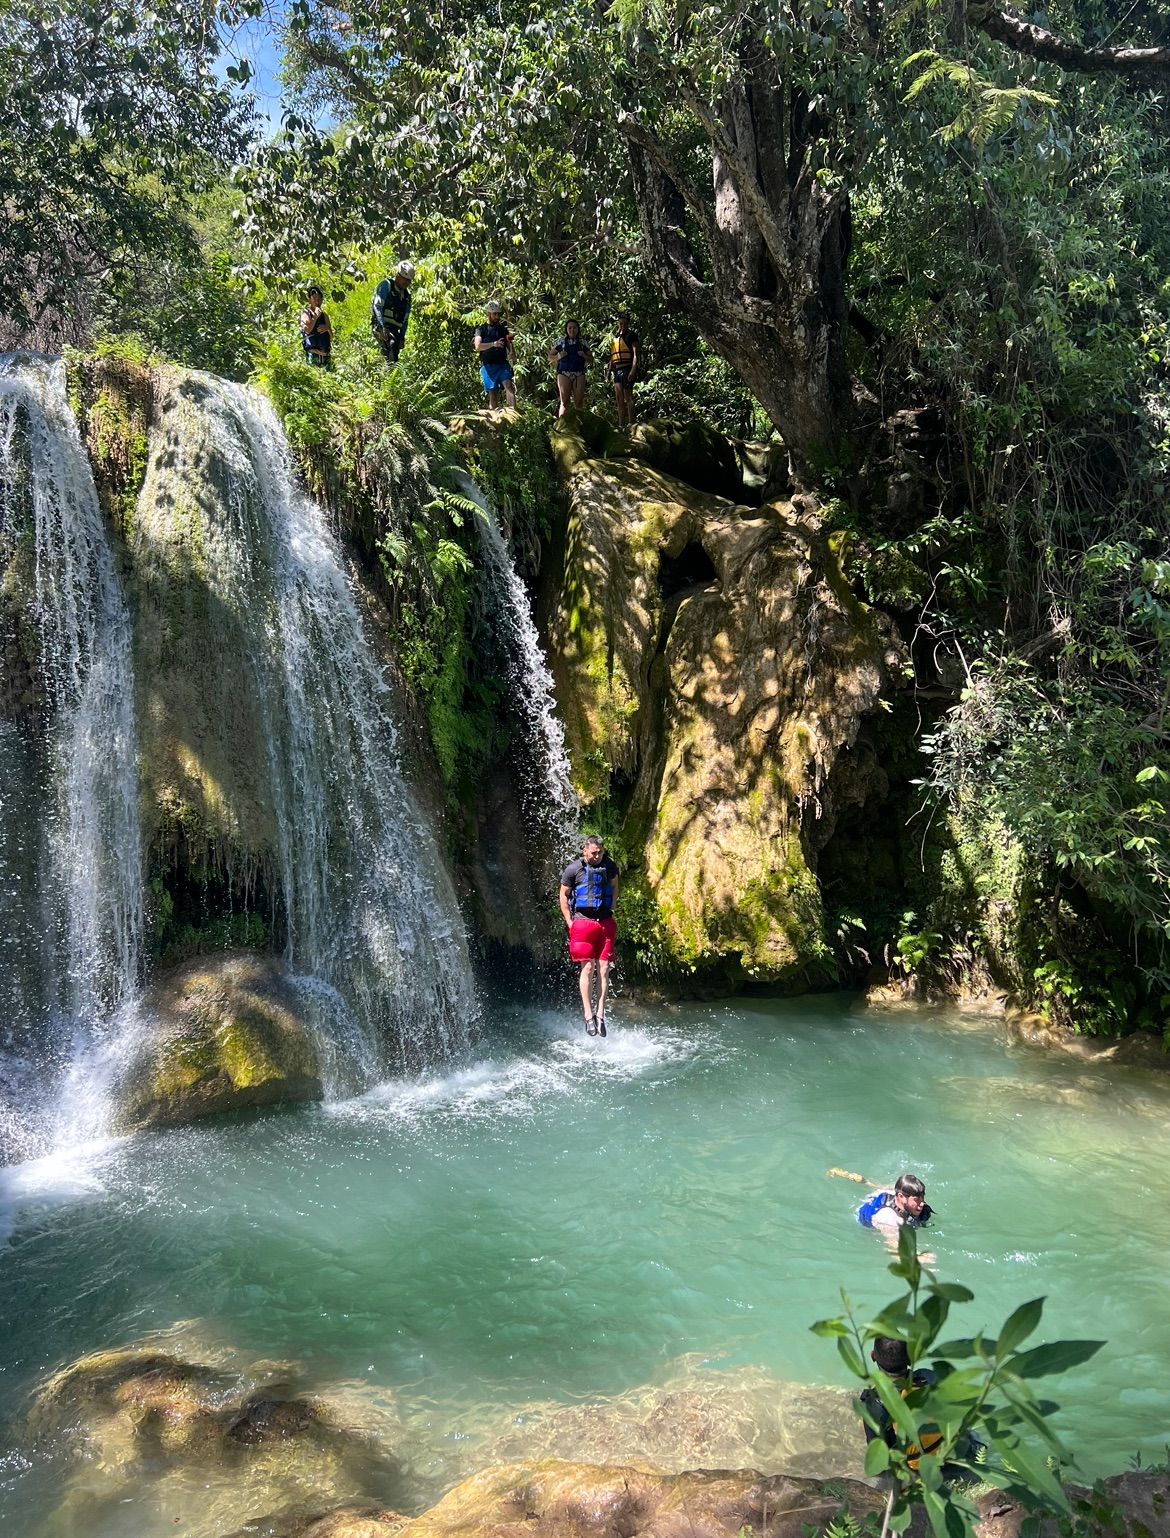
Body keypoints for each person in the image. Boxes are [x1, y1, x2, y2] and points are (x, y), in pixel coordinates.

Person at [860, 1337, 981, 1479]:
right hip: (956, 1455)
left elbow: (879, 1462)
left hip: (921, 1470)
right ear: (910, 1358)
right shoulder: (929, 1376)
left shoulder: (875, 1404)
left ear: (873, 1356)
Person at [559, 836, 619, 1036]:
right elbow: (563, 895)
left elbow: (614, 885)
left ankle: (600, 1014)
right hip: (583, 923)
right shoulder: (573, 869)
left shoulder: (609, 866)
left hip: (605, 923)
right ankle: (588, 1015)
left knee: (603, 969)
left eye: (600, 852)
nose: (597, 856)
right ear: (584, 851)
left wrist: (613, 906)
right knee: (588, 967)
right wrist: (569, 921)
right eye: (593, 852)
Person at [857, 1173, 933, 1236]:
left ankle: (864, 1181)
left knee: (884, 1189)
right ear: (901, 1197)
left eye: (922, 1197)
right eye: (917, 1200)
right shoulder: (890, 1219)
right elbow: (893, 1244)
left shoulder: (900, 1195)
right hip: (868, 1218)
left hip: (884, 1196)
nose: (922, 1203)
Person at [474, 299, 516, 408]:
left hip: (502, 364)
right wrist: (493, 344)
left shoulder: (503, 329)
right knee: (493, 393)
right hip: (488, 366)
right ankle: (494, 421)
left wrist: (512, 354)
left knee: (509, 386)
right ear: (488, 313)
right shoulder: (481, 329)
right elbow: (477, 346)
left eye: (498, 314)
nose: (497, 316)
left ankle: (513, 414)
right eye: (494, 314)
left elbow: (510, 343)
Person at [371, 261, 414, 363]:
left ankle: (390, 374)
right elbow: (377, 306)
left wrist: (402, 337)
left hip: (395, 330)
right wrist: (382, 327)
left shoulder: (407, 296)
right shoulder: (386, 286)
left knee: (393, 350)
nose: (407, 283)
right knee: (391, 345)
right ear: (398, 276)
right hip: (380, 327)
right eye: (405, 280)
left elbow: (405, 320)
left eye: (409, 281)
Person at [548, 320, 592, 415]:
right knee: (564, 401)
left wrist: (584, 355)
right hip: (564, 373)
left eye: (574, 327)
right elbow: (550, 357)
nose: (572, 330)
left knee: (579, 402)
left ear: (578, 329)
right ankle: (562, 427)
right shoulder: (560, 341)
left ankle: (579, 426)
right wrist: (558, 356)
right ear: (566, 329)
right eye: (570, 328)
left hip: (579, 373)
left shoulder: (583, 343)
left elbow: (591, 359)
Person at [606, 312, 641, 429]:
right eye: (621, 323)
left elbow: (636, 354)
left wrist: (633, 369)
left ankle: (632, 424)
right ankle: (621, 425)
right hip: (617, 370)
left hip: (627, 368)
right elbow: (612, 355)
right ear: (618, 323)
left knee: (628, 397)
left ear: (628, 323)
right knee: (619, 398)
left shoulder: (632, 335)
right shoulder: (615, 337)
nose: (623, 325)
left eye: (625, 323)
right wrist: (610, 367)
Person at [299, 286, 332, 367]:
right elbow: (307, 330)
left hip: (326, 355)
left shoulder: (324, 316)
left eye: (320, 298)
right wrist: (315, 317)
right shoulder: (305, 314)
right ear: (309, 300)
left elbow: (331, 338)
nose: (317, 301)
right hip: (313, 355)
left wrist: (327, 329)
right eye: (314, 298)